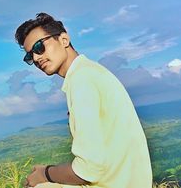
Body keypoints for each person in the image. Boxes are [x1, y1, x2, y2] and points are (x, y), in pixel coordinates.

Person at [15, 13, 152, 188]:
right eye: (29, 56)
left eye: (39, 46)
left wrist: (46, 173)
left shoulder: (81, 80)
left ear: (64, 39)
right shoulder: (89, 73)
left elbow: (88, 170)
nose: (35, 58)